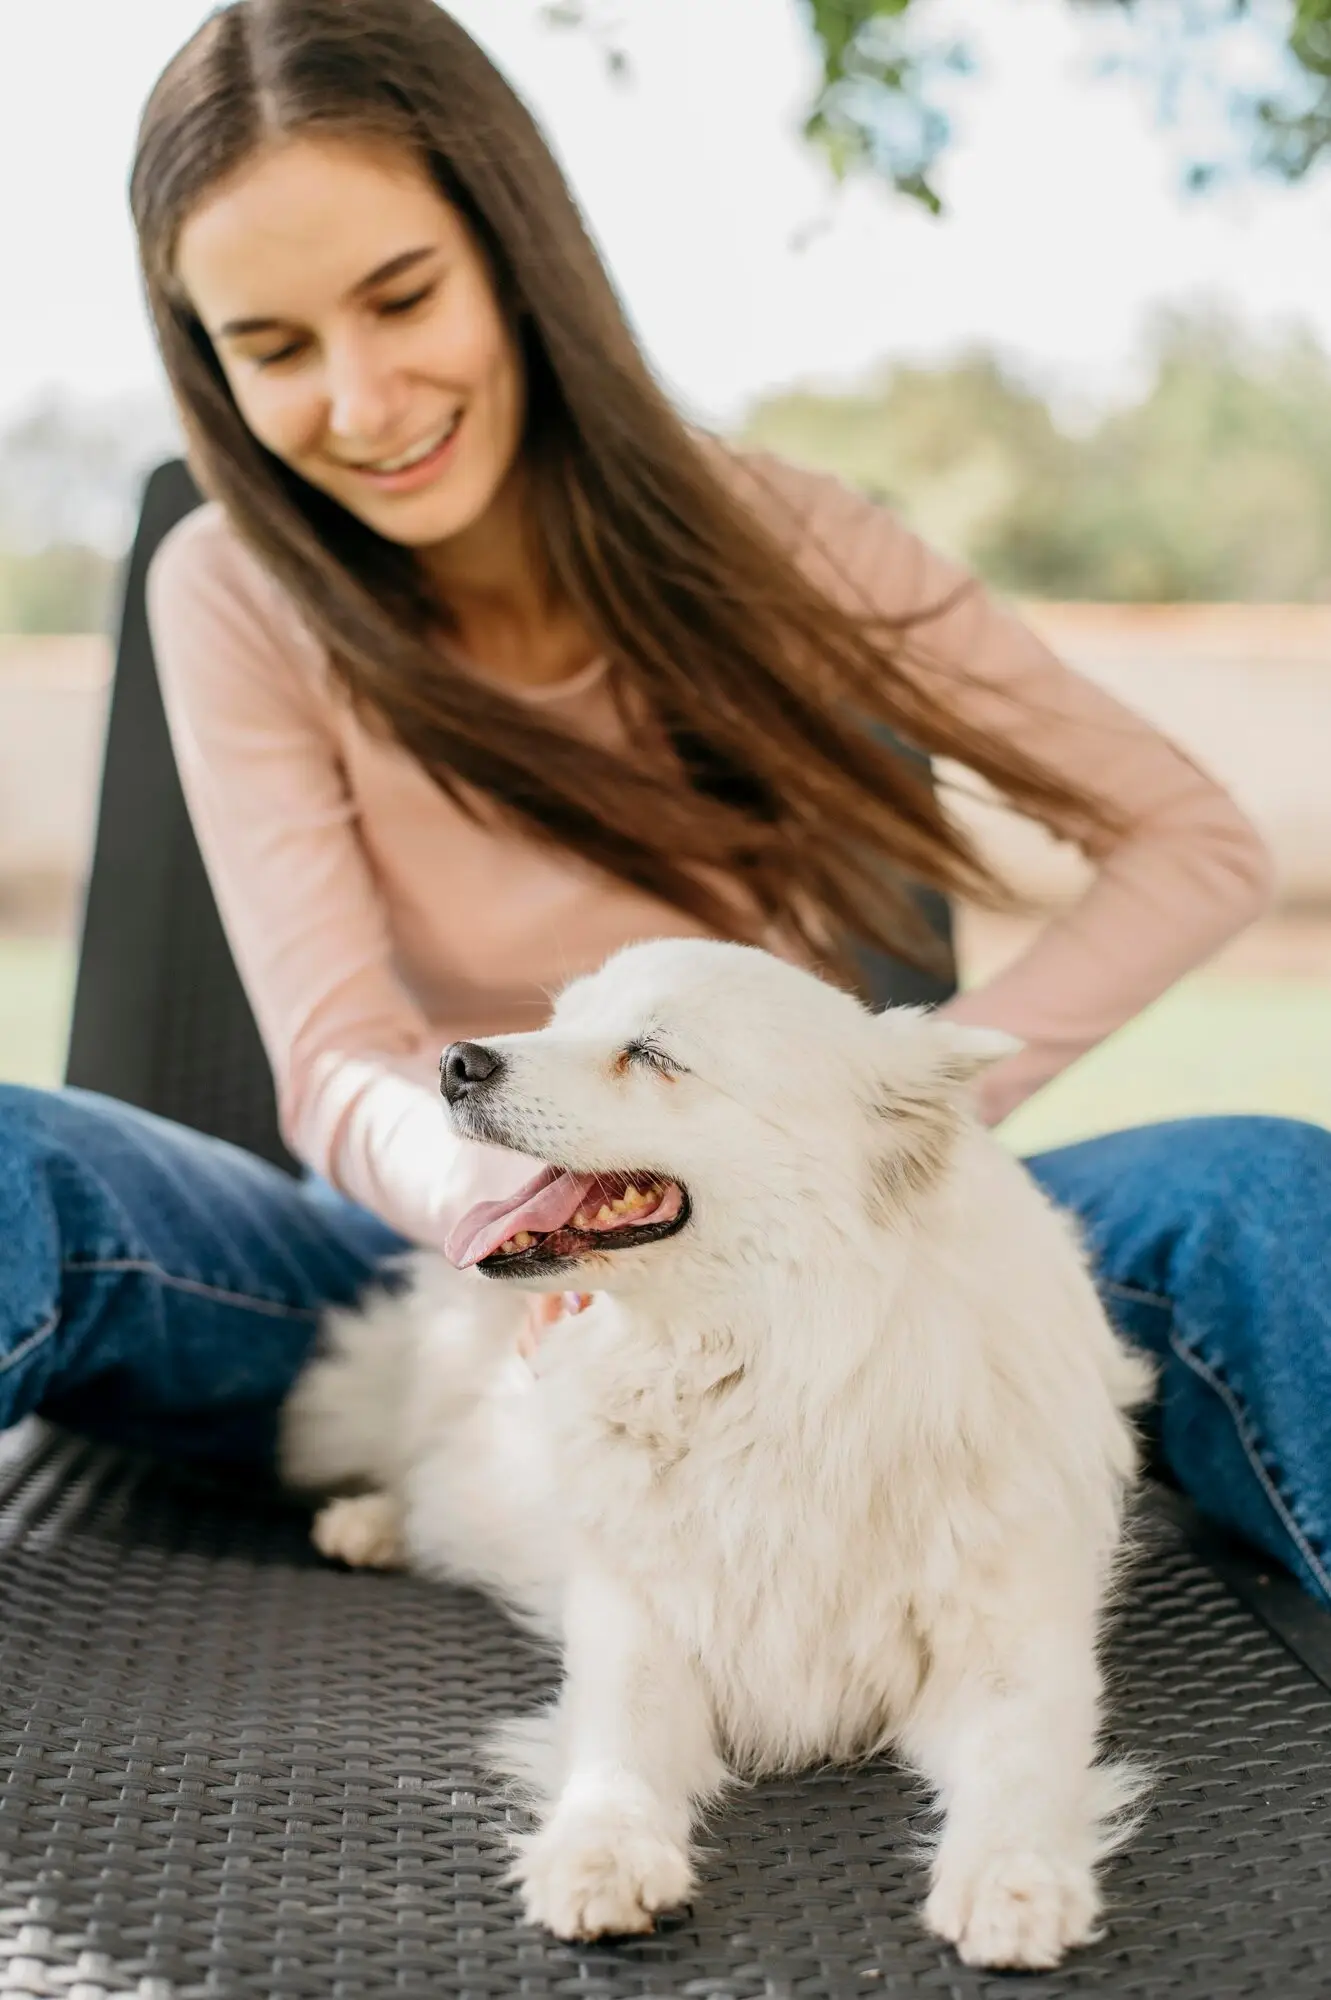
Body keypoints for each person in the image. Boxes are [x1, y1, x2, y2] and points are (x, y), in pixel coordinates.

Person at [1, 0, 1327, 1600]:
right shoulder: (227, 584)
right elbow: (339, 1057)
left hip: (793, 1261)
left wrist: (872, 1134)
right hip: (410, 1268)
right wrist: (519, 1214)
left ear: (511, 248)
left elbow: (1192, 843)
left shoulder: (789, 539)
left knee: (1262, 1191)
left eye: (402, 295)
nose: (358, 401)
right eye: (272, 349)